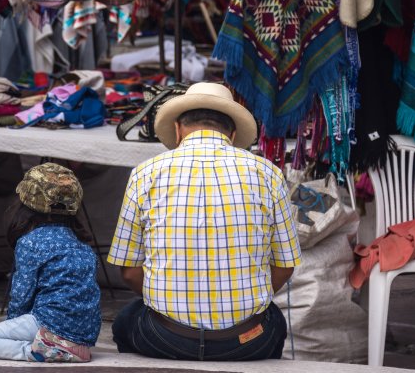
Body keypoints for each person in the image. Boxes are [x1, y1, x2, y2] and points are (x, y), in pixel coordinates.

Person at [108, 82, 301, 361]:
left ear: (178, 129)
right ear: (232, 133)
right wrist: (242, 299)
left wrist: (167, 298)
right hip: (247, 341)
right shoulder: (268, 174)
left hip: (165, 337)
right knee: (275, 322)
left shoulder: (145, 173)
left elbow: (128, 271)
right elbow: (285, 265)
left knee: (126, 319)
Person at [0, 163, 101, 362]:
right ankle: (68, 347)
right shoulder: (82, 243)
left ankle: (42, 350)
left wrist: (12, 325)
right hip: (85, 331)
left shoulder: (31, 242)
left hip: (49, 321)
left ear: (25, 204)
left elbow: (21, 295)